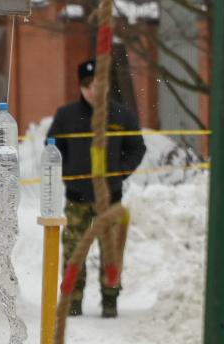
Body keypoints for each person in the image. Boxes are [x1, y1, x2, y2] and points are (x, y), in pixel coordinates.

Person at [46, 59, 147, 318]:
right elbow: (52, 146)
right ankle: (73, 300)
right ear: (80, 87)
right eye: (87, 85)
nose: (92, 90)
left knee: (111, 251)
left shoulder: (122, 116)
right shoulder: (66, 116)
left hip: (110, 198)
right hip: (77, 198)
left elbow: (137, 147)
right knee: (73, 251)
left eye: (97, 84)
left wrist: (120, 172)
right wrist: (69, 172)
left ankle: (110, 299)